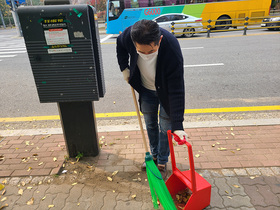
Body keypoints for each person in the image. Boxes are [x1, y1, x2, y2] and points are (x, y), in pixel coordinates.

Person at [116, 19, 188, 179]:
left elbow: (177, 89)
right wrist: (124, 69)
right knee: (150, 124)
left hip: (166, 92)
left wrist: (178, 125)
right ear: (134, 42)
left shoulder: (171, 46)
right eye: (141, 52)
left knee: (165, 128)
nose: (146, 56)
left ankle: (162, 161)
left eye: (151, 51)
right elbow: (119, 45)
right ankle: (153, 155)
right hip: (145, 89)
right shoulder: (129, 35)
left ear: (159, 40)